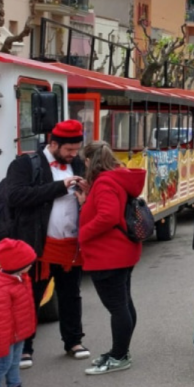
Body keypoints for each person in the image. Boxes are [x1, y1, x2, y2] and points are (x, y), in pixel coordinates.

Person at [7, 118, 89, 366]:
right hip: (38, 245)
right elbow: (15, 196)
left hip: (70, 244)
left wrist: (86, 198)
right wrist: (58, 187)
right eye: (68, 150)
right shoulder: (25, 164)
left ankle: (73, 340)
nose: (73, 154)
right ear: (53, 144)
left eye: (76, 149)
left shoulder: (77, 164)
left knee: (71, 295)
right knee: (31, 298)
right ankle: (25, 347)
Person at [77, 141, 147, 375]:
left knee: (118, 307)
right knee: (124, 304)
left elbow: (107, 216)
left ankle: (119, 356)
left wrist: (82, 233)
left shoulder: (105, 182)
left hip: (108, 255)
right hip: (121, 252)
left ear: (89, 161)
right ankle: (120, 351)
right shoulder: (116, 177)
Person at [0, 239, 40, 387]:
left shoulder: (20, 278)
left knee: (14, 362)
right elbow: (1, 319)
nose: (31, 265)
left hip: (17, 334)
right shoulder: (3, 287)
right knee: (3, 364)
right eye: (28, 263)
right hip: (5, 336)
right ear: (17, 264)